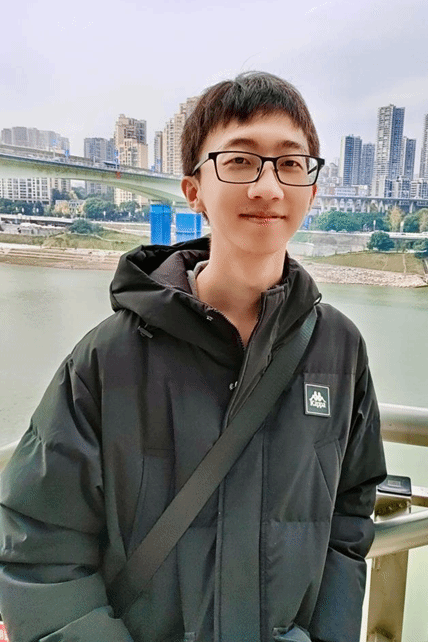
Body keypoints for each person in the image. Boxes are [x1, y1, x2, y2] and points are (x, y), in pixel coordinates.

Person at [0, 72, 387, 642]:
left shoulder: (339, 350)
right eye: (240, 161)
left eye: (290, 163)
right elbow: (41, 545)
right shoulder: (109, 359)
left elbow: (349, 516)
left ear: (312, 189)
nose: (267, 186)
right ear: (193, 190)